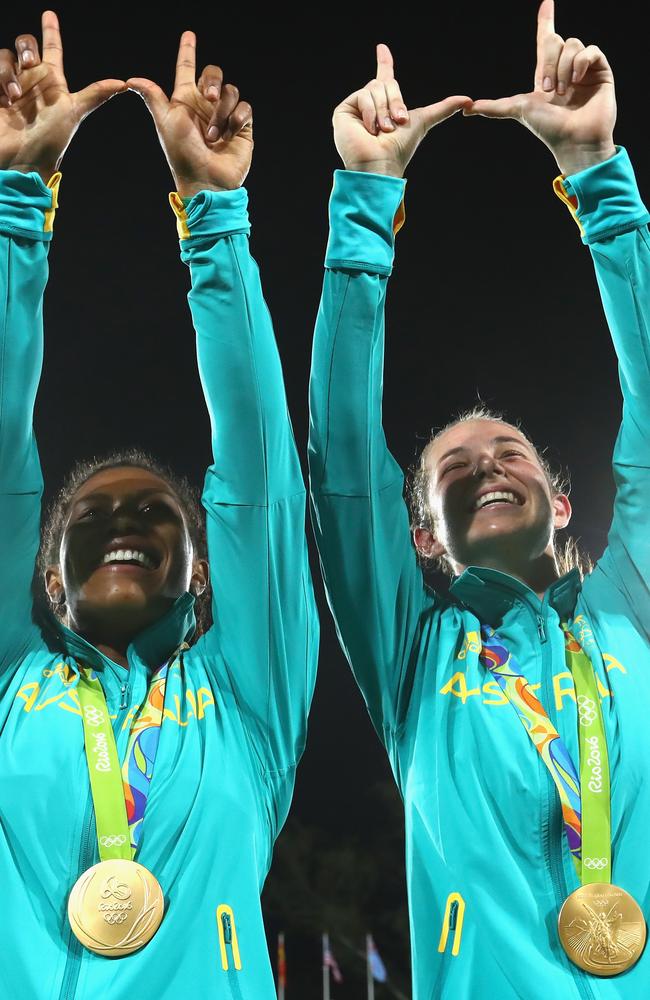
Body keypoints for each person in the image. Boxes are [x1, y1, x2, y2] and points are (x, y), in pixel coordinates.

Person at [308, 1, 650, 996]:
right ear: (421, 533)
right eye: (453, 471)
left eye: (508, 454)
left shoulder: (628, 603)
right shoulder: (415, 653)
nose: (489, 465)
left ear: (560, 498)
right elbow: (340, 459)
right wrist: (365, 198)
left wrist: (596, 171)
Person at [0, 11, 318, 999]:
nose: (129, 520)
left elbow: (260, 472)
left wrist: (215, 221)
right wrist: (19, 202)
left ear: (207, 568)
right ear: (44, 575)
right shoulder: (12, 681)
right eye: (93, 514)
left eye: (158, 514)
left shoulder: (246, 702)